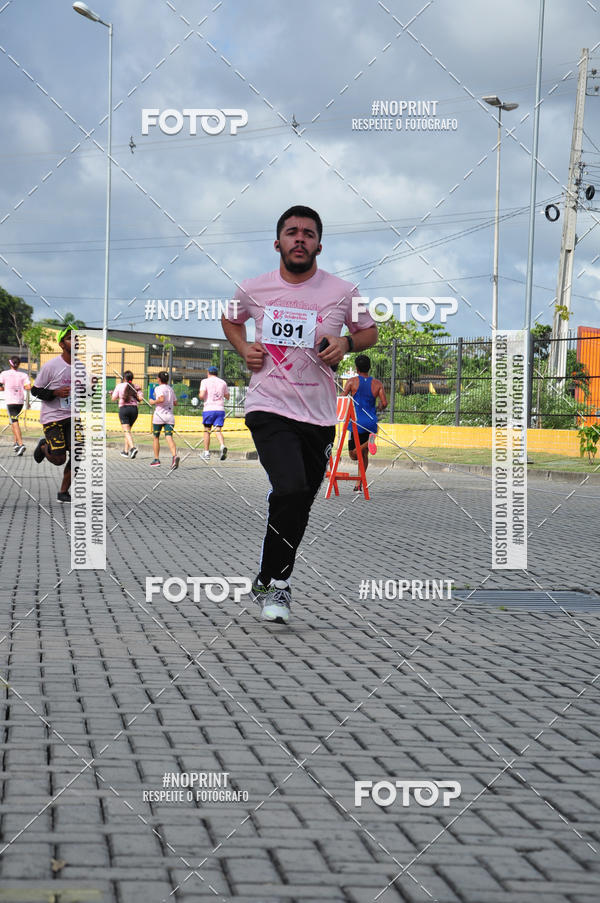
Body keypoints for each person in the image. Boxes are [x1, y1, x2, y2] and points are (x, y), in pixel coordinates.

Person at [222, 204, 377, 624]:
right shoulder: (253, 289)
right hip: (268, 405)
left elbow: (370, 331)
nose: (300, 239)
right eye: (292, 232)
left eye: (308, 233)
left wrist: (345, 344)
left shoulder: (342, 292)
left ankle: (266, 571)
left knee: (300, 499)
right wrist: (243, 348)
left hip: (320, 414)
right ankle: (279, 587)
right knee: (289, 488)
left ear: (319, 245)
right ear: (278, 242)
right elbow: (230, 319)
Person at [30, 325, 74, 502]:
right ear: (62, 344)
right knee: (59, 459)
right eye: (71, 338)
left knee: (79, 453)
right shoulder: (51, 366)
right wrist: (55, 393)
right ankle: (43, 446)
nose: (76, 341)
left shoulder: (81, 367)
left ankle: (63, 492)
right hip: (53, 417)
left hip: (72, 416)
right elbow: (35, 390)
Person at [342, 354, 388, 490]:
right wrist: (378, 407)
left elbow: (343, 400)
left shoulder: (351, 382)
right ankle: (359, 483)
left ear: (356, 368)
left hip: (356, 423)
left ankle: (369, 442)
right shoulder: (378, 384)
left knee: (353, 455)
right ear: (369, 367)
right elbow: (384, 403)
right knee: (364, 455)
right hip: (371, 422)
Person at [148, 371, 179, 469]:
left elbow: (161, 399)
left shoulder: (158, 388)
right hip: (169, 416)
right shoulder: (170, 389)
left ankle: (156, 459)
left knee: (156, 437)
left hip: (159, 416)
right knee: (169, 436)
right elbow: (175, 402)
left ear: (159, 379)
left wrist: (153, 402)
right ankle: (174, 456)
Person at [0, 356, 31, 455]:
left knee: (14, 422)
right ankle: (16, 443)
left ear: (10, 363)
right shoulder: (23, 375)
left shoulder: (4, 374)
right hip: (20, 402)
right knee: (13, 421)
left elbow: (0, 386)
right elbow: (28, 387)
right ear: (19, 364)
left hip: (11, 401)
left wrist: (5, 388)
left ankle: (21, 444)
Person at [199, 366, 230, 461]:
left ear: (208, 372)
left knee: (207, 430)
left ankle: (207, 453)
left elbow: (201, 395)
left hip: (209, 409)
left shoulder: (205, 381)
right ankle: (222, 446)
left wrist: (200, 395)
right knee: (218, 430)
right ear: (217, 373)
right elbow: (227, 396)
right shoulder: (223, 382)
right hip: (220, 409)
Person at [112, 370, 143, 458]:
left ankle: (133, 448)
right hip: (134, 410)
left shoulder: (119, 386)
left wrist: (113, 394)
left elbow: (113, 398)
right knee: (128, 431)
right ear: (132, 378)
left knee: (126, 431)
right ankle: (125, 451)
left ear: (124, 378)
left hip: (124, 409)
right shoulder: (136, 386)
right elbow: (140, 398)